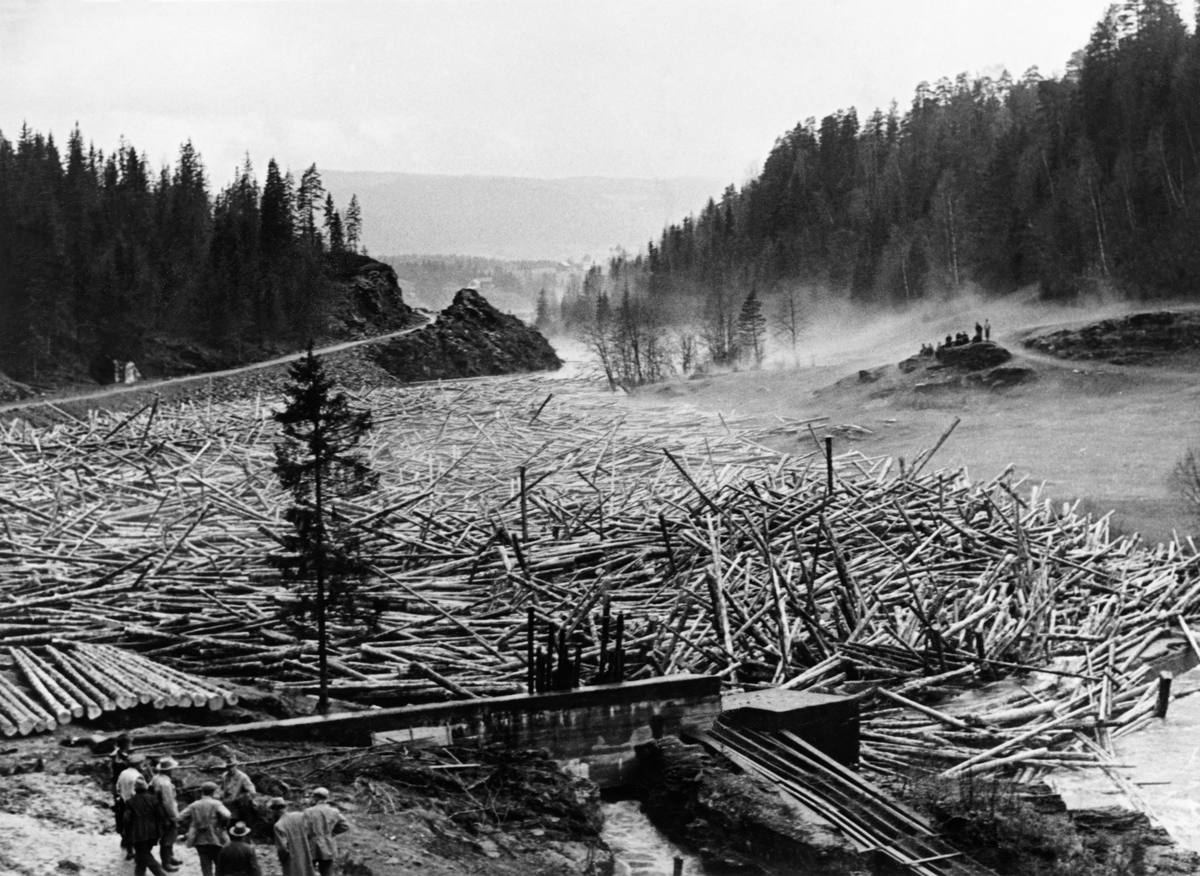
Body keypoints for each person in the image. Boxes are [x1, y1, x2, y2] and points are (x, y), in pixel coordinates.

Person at [179, 781, 232, 876]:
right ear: (213, 792)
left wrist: (192, 825)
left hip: (200, 839)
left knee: (205, 867)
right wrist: (223, 825)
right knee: (219, 866)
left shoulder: (194, 805)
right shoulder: (217, 804)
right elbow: (227, 815)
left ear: (202, 792)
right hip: (216, 838)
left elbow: (180, 817)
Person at [124, 776, 172, 876]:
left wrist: (127, 832)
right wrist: (161, 830)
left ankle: (161, 873)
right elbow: (160, 815)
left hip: (138, 833)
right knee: (143, 854)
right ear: (145, 787)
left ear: (135, 789)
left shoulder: (130, 802)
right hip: (153, 832)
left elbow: (126, 819)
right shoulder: (154, 799)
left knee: (144, 854)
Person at [303, 788, 349, 876]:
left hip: (312, 845)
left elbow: (304, 829)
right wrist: (332, 833)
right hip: (328, 844)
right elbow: (345, 825)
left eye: (313, 797)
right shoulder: (334, 811)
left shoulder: (308, 812)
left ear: (316, 798)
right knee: (327, 872)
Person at [151, 755, 182, 870]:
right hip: (165, 815)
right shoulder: (166, 784)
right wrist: (175, 818)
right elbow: (168, 803)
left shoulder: (156, 778)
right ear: (169, 770)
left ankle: (170, 857)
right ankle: (166, 863)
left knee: (170, 836)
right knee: (168, 838)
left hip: (158, 812)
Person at [271, 797, 315, 876]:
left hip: (291, 859)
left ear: (275, 810)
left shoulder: (278, 825)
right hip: (305, 853)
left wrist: (283, 859)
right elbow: (310, 830)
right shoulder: (300, 816)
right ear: (285, 807)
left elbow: (282, 848)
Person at [116, 752, 148, 859]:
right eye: (142, 763)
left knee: (127, 828)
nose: (143, 765)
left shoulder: (123, 773)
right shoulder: (138, 776)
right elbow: (140, 792)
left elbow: (118, 788)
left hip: (124, 803)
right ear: (137, 764)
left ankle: (129, 850)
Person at [222, 759, 257, 828]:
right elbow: (223, 788)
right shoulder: (224, 776)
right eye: (229, 767)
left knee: (244, 819)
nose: (231, 769)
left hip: (239, 802)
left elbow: (252, 791)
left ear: (236, 766)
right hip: (228, 802)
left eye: (233, 766)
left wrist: (241, 797)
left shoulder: (243, 777)